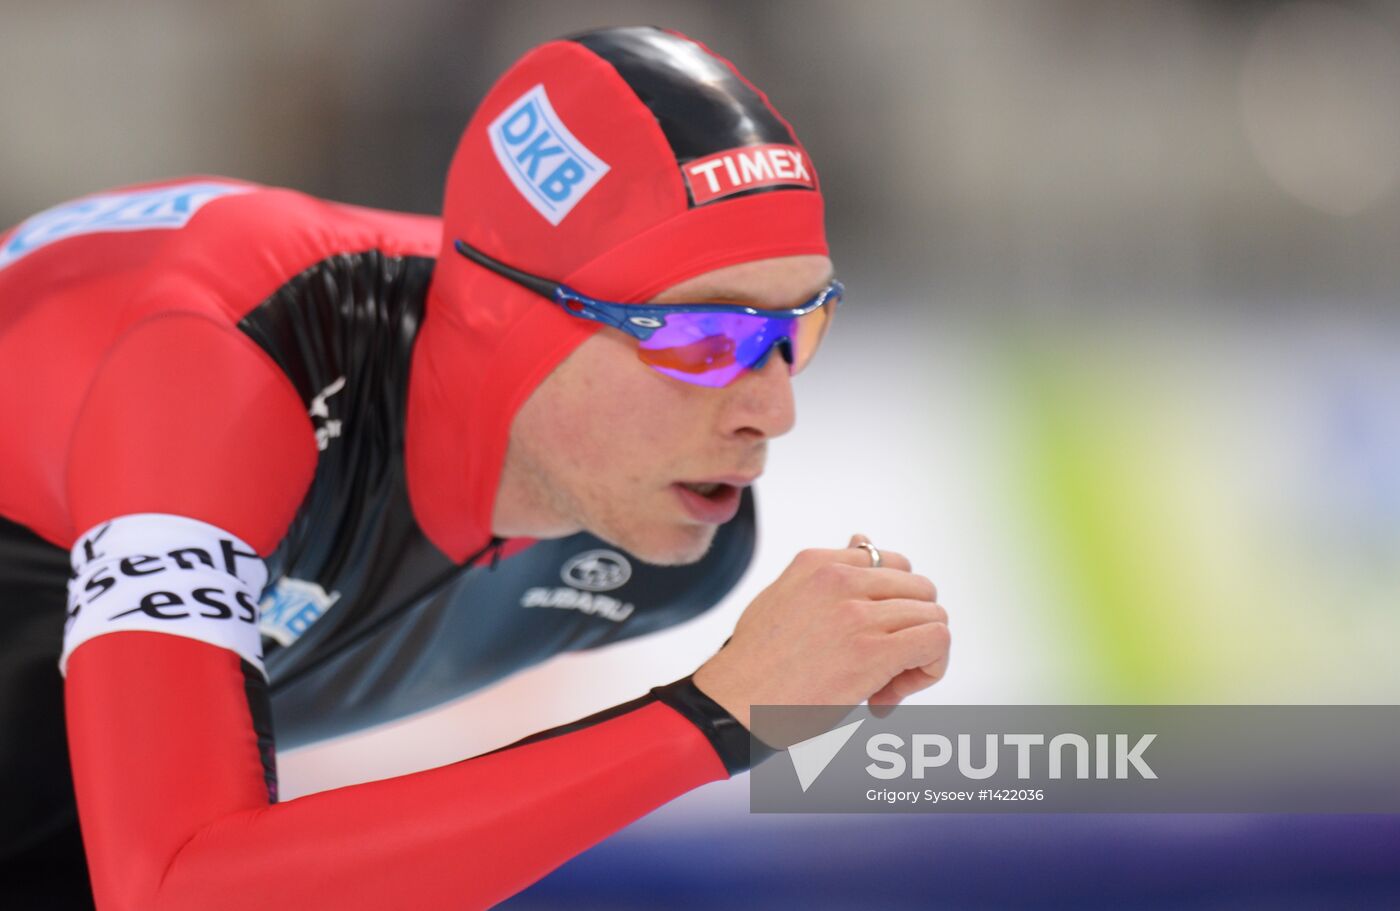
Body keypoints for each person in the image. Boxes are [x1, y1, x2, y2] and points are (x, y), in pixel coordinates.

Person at [0, 25, 950, 910]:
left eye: (798, 327)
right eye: (703, 336)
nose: (774, 411)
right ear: (507, 313)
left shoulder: (666, 556)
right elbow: (177, 884)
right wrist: (709, 718)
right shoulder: (232, 366)